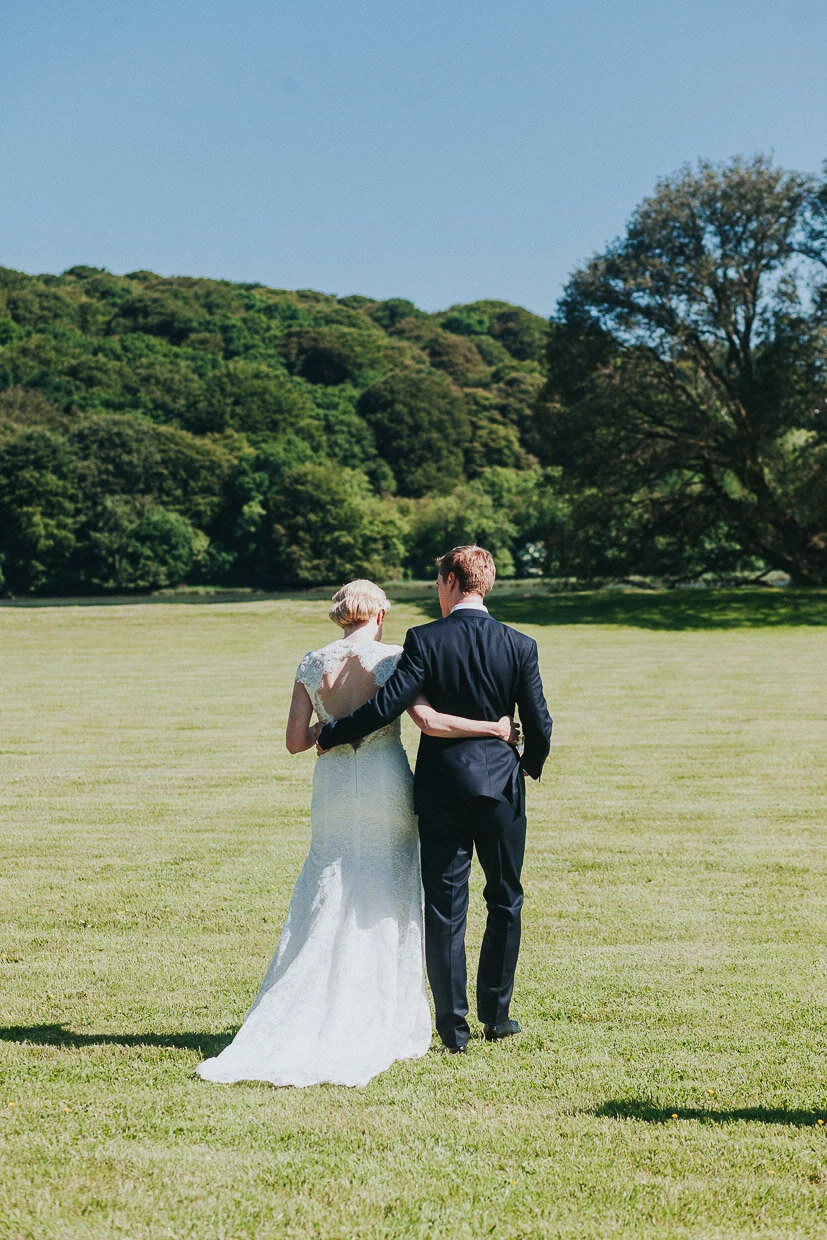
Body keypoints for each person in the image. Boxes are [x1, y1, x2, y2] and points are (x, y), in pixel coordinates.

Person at [196, 578, 516, 1088]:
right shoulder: (392, 659)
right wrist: (495, 728)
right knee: (386, 891)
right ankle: (377, 1009)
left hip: (335, 787)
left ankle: (311, 999)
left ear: (340, 615)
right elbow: (426, 719)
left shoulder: (311, 662)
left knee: (330, 883)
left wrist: (331, 731)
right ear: (380, 615)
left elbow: (296, 742)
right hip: (386, 781)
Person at [317, 546, 552, 1054]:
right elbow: (540, 724)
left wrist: (332, 733)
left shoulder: (424, 639)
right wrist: (524, 767)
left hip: (442, 788)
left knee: (446, 908)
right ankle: (498, 1014)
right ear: (483, 584)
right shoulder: (520, 644)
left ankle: (454, 1027)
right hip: (501, 789)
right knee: (506, 898)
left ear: (450, 581)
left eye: (437, 581)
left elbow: (387, 704)